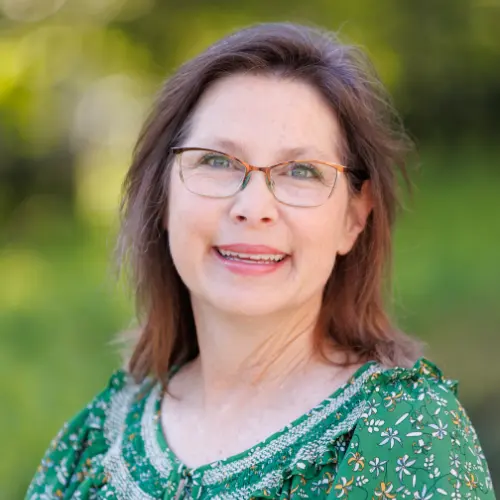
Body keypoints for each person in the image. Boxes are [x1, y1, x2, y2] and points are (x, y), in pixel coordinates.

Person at [26, 22, 495, 500]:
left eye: (301, 172)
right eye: (216, 161)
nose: (254, 208)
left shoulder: (406, 433)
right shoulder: (93, 445)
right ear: (162, 197)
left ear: (354, 217)